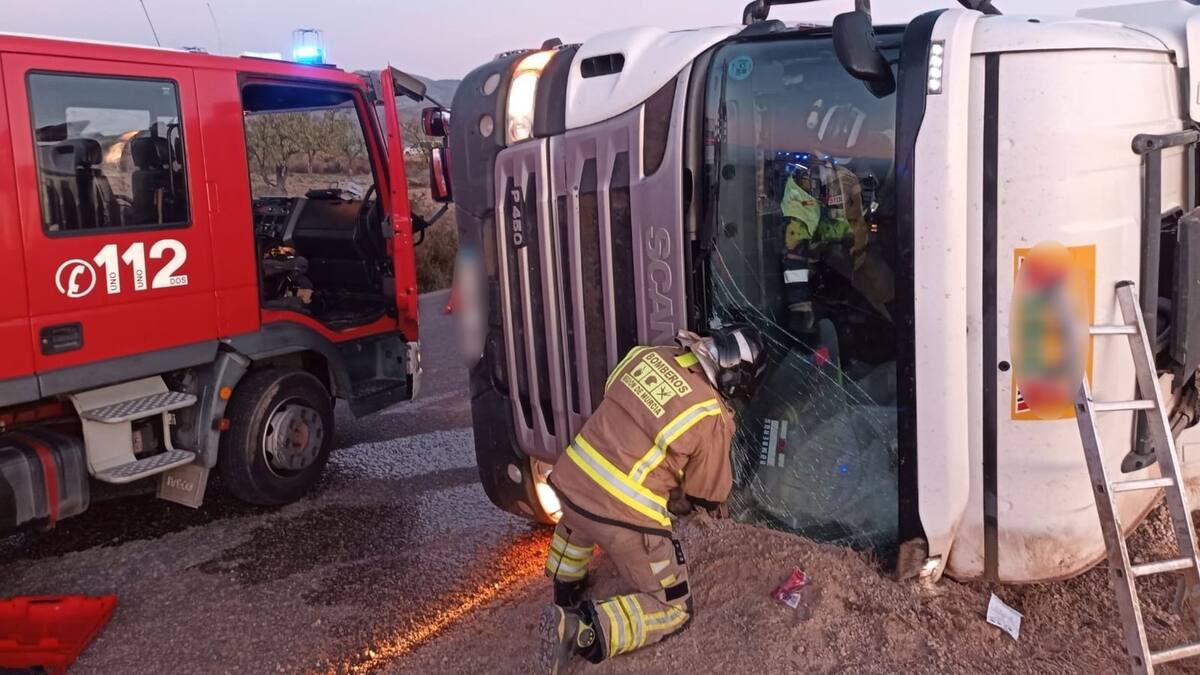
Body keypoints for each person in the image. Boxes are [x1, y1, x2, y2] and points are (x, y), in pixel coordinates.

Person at [538, 326, 769, 673]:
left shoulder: (648, 355)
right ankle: (580, 630)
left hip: (571, 480)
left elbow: (612, 392)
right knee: (674, 608)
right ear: (738, 379)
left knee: (576, 523)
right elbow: (705, 495)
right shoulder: (712, 415)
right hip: (623, 518)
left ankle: (565, 587)